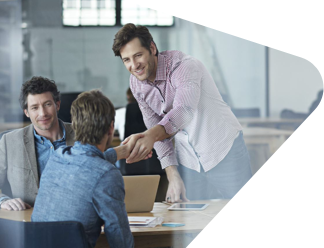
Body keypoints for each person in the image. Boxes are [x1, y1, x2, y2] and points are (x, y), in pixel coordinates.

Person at [112, 23, 252, 202]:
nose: (134, 65)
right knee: (193, 224)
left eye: (138, 55)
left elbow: (184, 112)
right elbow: (156, 129)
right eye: (126, 60)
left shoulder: (184, 67)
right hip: (189, 162)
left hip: (224, 151)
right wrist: (173, 175)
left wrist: (150, 136)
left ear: (152, 48)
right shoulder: (136, 84)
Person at [32, 90, 136, 248]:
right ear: (111, 128)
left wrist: (118, 152)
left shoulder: (58, 156)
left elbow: (84, 162)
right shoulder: (107, 174)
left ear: (74, 125)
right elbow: (119, 236)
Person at [0, 76, 75, 210]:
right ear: (26, 112)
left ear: (57, 105)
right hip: (30, 221)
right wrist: (2, 201)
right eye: (34, 108)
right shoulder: (10, 143)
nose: (42, 113)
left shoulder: (83, 135)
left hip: (75, 219)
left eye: (47, 104)